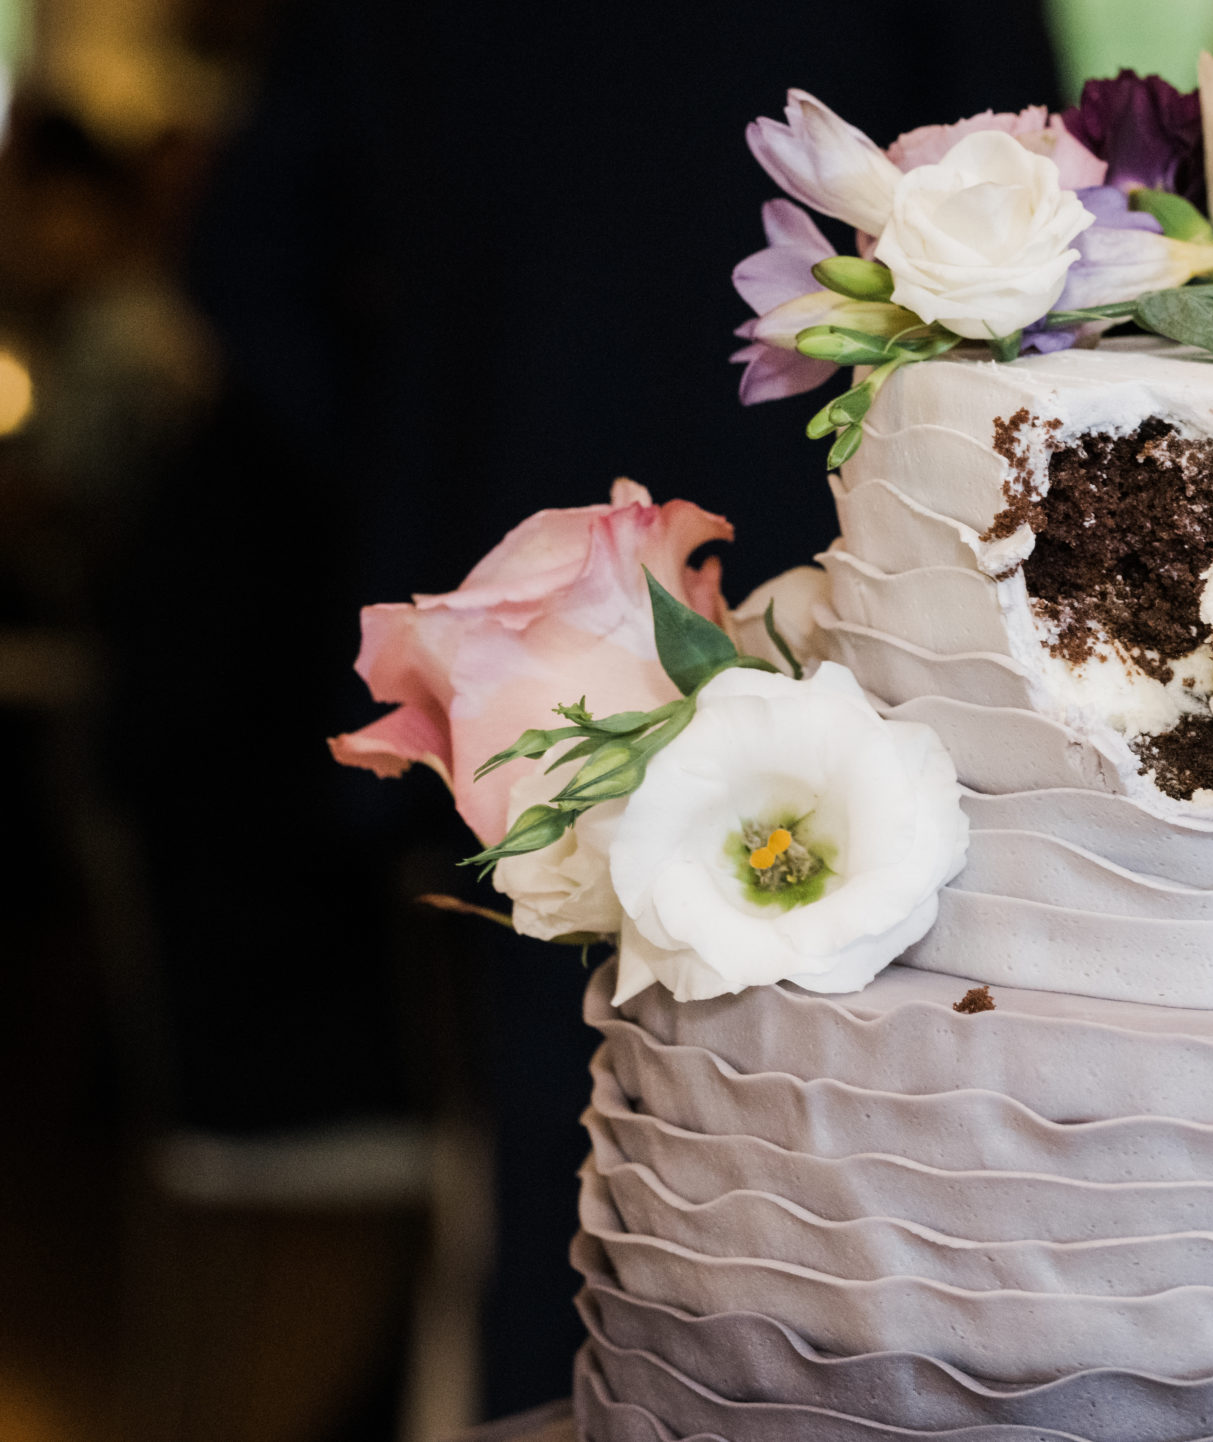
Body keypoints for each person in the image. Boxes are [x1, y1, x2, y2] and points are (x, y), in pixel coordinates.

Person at [136, 0, 1062, 1417]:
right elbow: (1028, 220)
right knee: (888, 1175)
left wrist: (421, 467)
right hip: (854, 599)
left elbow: (249, 248)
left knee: (562, 1164)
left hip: (537, 624)